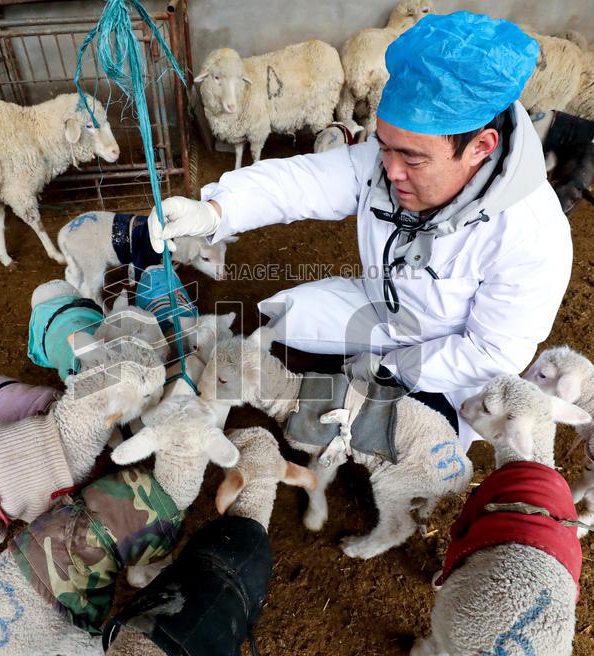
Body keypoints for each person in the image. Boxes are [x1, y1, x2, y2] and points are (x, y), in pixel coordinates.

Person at [148, 12, 571, 448]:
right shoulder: (387, 162)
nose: (391, 170)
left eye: (412, 159)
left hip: (449, 358)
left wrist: (390, 369)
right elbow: (303, 181)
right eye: (384, 147)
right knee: (286, 319)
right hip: (380, 308)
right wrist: (216, 210)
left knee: (404, 443)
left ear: (481, 147)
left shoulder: (531, 234)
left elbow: (490, 353)